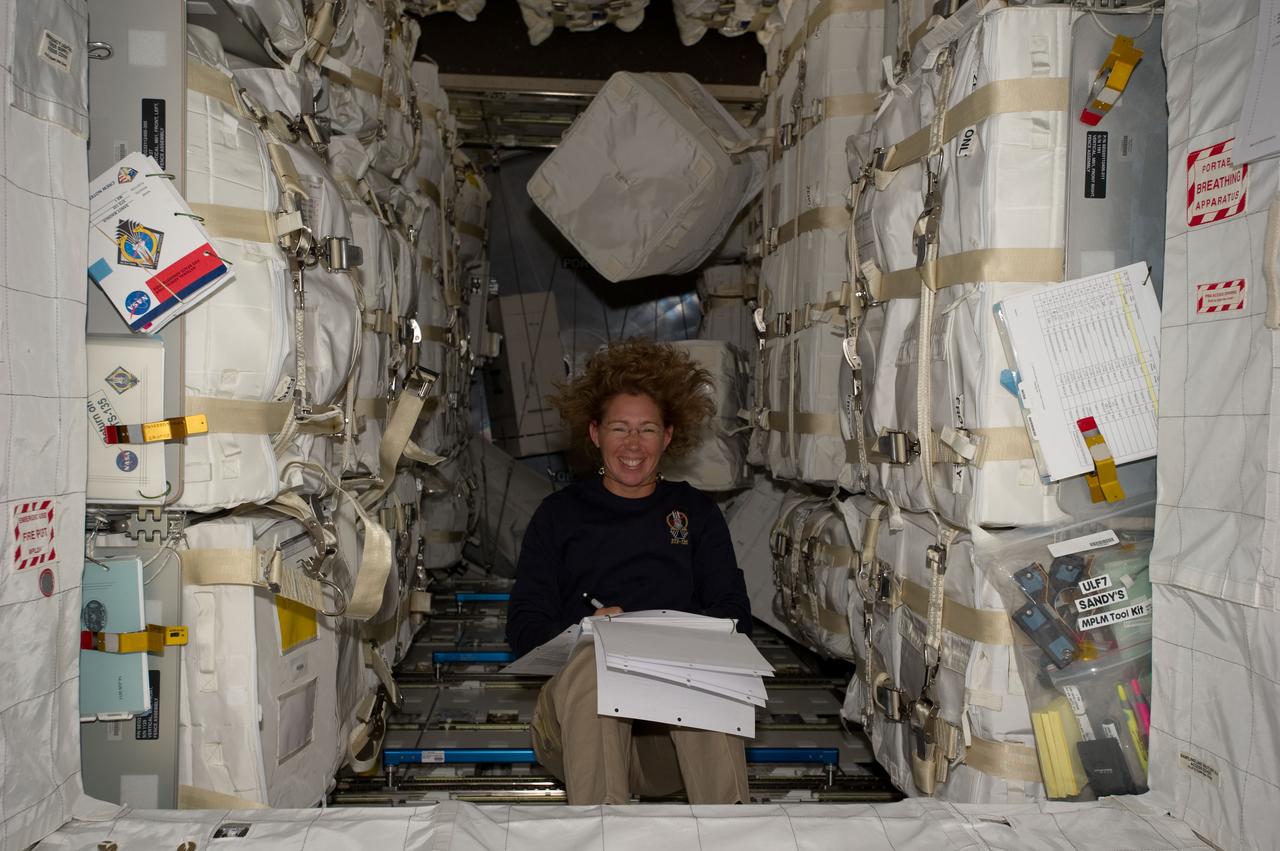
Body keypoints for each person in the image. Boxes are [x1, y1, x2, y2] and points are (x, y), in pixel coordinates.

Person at [506, 338, 753, 805]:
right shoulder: (558, 516)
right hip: (576, 736)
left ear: (668, 436)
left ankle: (727, 828)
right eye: (619, 428)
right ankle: (601, 829)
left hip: (667, 749)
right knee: (594, 660)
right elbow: (523, 628)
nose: (633, 444)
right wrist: (585, 630)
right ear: (595, 434)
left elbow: (735, 616)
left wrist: (676, 634)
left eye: (647, 429)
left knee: (707, 667)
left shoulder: (695, 514)